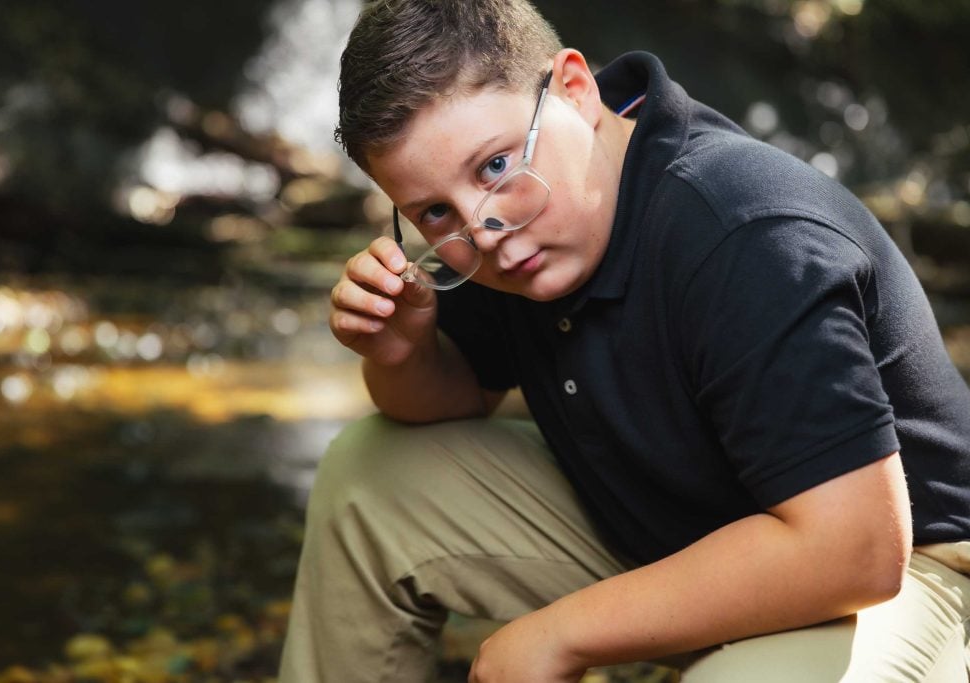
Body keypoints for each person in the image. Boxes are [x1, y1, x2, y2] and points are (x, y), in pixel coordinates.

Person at [279, 1, 970, 680]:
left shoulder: (746, 232)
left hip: (910, 573)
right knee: (369, 477)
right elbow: (452, 401)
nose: (482, 227)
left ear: (575, 89)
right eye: (433, 211)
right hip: (686, 534)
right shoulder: (518, 233)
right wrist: (403, 352)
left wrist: (563, 634)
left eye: (494, 166)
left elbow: (857, 550)